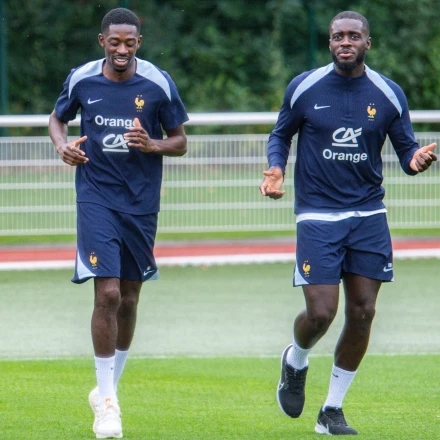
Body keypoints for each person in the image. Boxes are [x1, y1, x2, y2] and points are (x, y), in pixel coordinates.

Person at [260, 10, 436, 436]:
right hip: (318, 215)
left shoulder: (388, 94)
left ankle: (331, 410)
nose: (345, 42)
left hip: (368, 215)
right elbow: (280, 134)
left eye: (354, 36)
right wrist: (276, 168)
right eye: (338, 35)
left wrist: (415, 160)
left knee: (363, 312)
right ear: (330, 42)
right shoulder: (305, 87)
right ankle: (296, 360)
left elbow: (406, 150)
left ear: (366, 43)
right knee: (321, 313)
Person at [49, 7, 188, 439]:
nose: (122, 49)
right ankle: (109, 404)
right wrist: (62, 145)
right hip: (96, 197)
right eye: (115, 42)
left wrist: (152, 144)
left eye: (130, 42)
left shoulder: (158, 83)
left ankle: (106, 389)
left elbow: (180, 142)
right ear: (102, 42)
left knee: (128, 298)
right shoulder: (82, 78)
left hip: (141, 204)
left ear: (139, 43)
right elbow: (57, 118)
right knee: (107, 292)